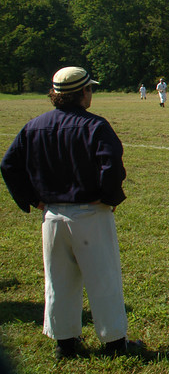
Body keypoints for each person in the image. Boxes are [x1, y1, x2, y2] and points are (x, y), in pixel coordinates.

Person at [0, 66, 142, 359]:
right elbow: (111, 163)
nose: (91, 93)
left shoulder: (34, 126)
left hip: (52, 216)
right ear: (82, 93)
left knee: (58, 280)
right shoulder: (96, 126)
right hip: (91, 213)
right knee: (103, 278)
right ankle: (114, 342)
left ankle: (64, 343)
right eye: (89, 88)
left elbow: (9, 165)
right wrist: (110, 196)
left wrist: (33, 199)